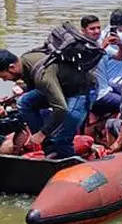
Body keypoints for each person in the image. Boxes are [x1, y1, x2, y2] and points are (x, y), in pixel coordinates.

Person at [18, 24, 101, 159]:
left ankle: (66, 157)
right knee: (24, 102)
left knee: (64, 133)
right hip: (62, 86)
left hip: (82, 90)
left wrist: (42, 133)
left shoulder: (39, 70)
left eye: (4, 77)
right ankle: (49, 145)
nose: (4, 80)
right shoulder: (28, 60)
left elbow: (61, 109)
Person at [90, 8, 122, 118]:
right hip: (117, 81)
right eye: (93, 29)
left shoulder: (103, 35)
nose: (96, 31)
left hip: (107, 82)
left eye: (97, 28)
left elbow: (121, 55)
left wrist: (121, 44)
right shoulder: (121, 37)